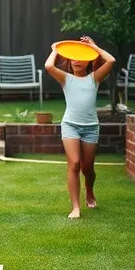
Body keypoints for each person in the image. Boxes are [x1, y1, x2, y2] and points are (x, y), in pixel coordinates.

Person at [45, 36, 115, 219]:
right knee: (74, 163)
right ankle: (75, 207)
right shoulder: (65, 79)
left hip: (91, 128)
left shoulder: (95, 78)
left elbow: (111, 60)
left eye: (81, 57)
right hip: (70, 125)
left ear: (89, 61)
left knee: (87, 168)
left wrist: (94, 46)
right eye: (73, 57)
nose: (76, 60)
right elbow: (48, 66)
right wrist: (56, 49)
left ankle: (89, 191)